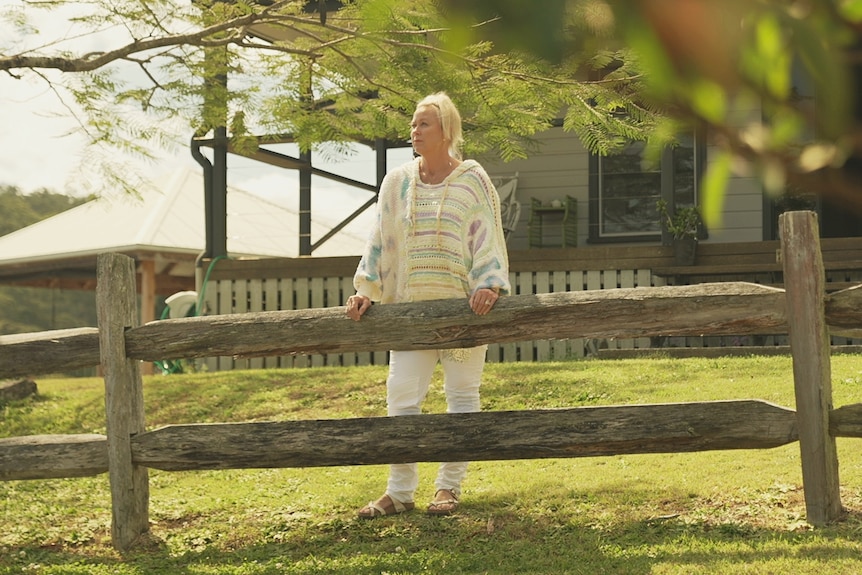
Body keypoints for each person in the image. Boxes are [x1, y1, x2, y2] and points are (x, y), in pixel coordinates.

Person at [345, 92, 511, 518]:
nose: (414, 131)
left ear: (447, 131)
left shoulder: (473, 179)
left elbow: (487, 236)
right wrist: (366, 288)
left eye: (424, 124)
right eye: (414, 124)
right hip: (410, 315)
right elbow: (380, 239)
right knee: (401, 398)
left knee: (461, 395)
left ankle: (448, 488)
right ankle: (399, 492)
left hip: (462, 315)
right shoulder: (397, 181)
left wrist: (489, 284)